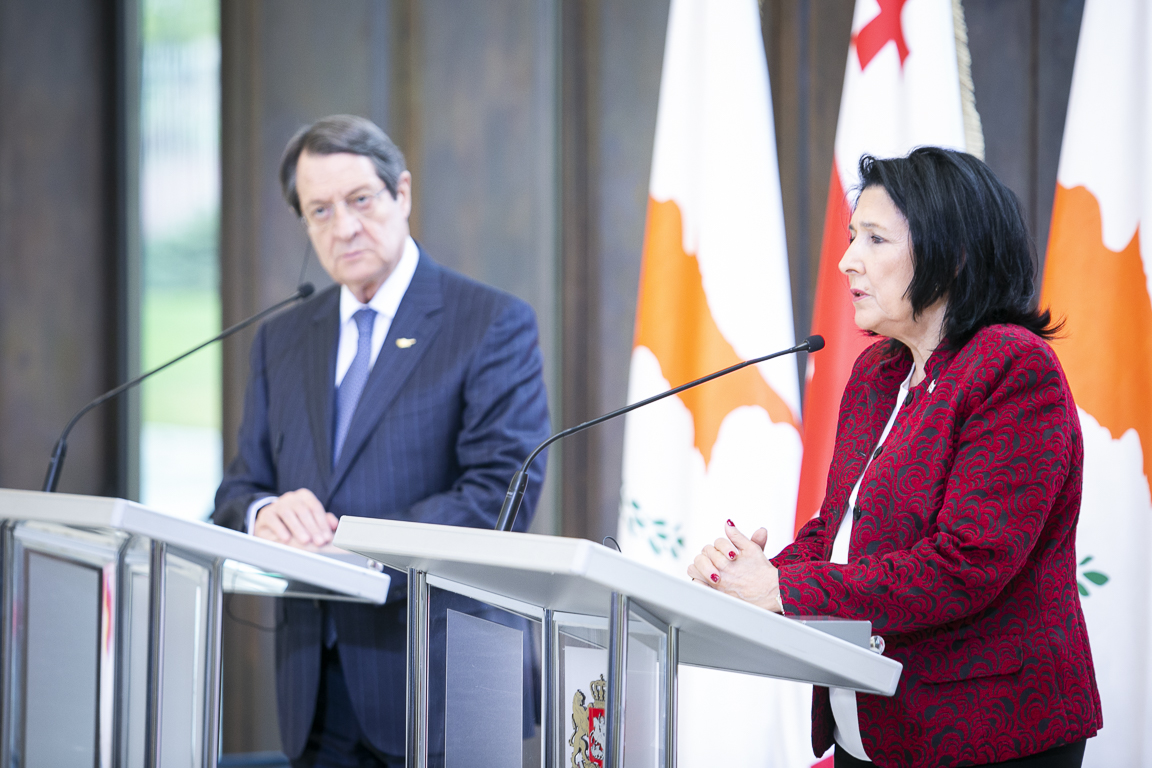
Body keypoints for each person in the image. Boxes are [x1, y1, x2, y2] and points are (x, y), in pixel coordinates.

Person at [688, 147, 1101, 767]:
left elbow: (966, 565)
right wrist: (743, 575)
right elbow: (837, 532)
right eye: (853, 236)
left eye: (875, 239)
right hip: (870, 727)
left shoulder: (1013, 368)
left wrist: (781, 588)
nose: (847, 259)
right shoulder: (878, 374)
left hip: (986, 734)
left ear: (952, 254)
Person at [213, 115, 550, 767]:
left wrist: (351, 546)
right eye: (320, 210)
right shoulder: (282, 339)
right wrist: (264, 513)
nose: (343, 227)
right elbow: (238, 490)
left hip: (447, 679)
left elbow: (499, 497)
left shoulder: (491, 322)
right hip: (317, 689)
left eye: (361, 200)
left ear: (402, 193)